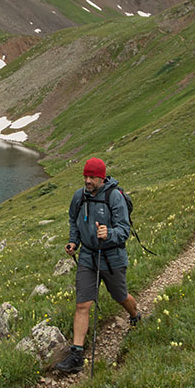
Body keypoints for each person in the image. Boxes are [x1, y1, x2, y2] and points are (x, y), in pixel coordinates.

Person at [53, 157, 141, 374]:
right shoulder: (79, 196)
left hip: (112, 257)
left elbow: (124, 230)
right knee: (82, 304)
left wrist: (109, 233)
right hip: (88, 257)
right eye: (85, 176)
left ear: (101, 178)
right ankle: (77, 355)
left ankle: (135, 316)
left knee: (120, 296)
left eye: (92, 177)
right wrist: (74, 242)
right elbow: (73, 220)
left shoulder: (114, 197)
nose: (87, 181)